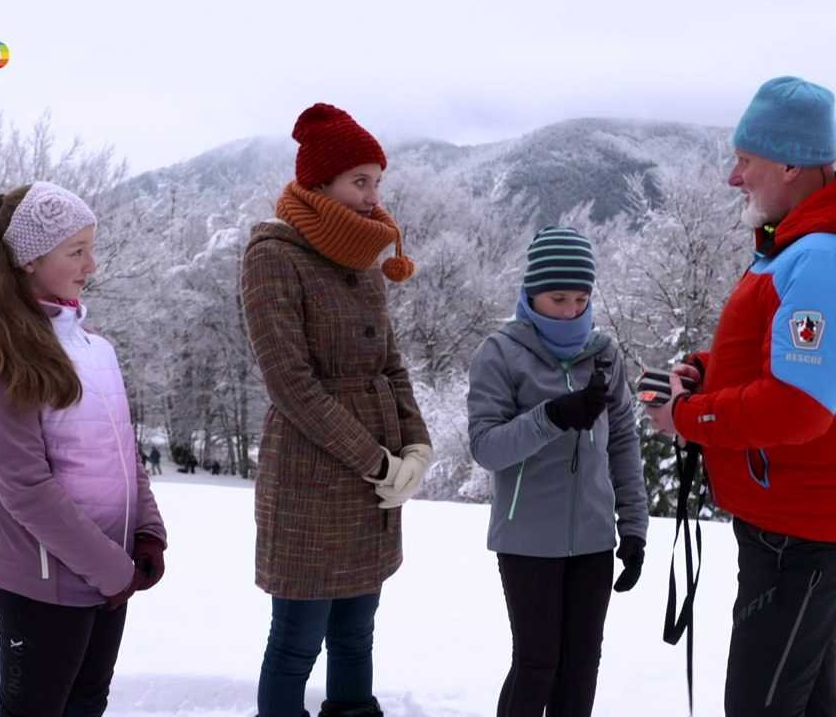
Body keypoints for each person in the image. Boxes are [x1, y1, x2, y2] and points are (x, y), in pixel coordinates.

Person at [646, 76, 836, 716]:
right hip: (792, 517)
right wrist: (704, 371)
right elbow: (780, 358)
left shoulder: (826, 260)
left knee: (761, 706)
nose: (733, 178)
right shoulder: (798, 243)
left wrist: (687, 417)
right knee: (803, 693)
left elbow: (799, 406)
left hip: (809, 527)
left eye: (746, 161)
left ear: (792, 164)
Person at [240, 103, 433, 717]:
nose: (373, 197)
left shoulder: (365, 263)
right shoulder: (273, 256)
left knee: (356, 634)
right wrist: (375, 461)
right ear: (318, 184)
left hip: (373, 485)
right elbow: (290, 383)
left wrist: (416, 444)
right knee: (296, 644)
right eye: (360, 181)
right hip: (311, 479)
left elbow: (391, 366)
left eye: (377, 181)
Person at [0, 181, 168, 717]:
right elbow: (26, 487)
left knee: (87, 703)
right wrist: (110, 568)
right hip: (42, 584)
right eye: (76, 252)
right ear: (28, 260)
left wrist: (146, 530)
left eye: (90, 248)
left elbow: (125, 451)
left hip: (110, 574)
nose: (91, 265)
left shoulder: (96, 349)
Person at [467, 226, 649, 716]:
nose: (571, 309)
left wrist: (633, 528)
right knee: (537, 664)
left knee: (582, 665)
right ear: (532, 295)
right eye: (558, 298)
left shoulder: (604, 353)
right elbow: (486, 448)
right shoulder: (500, 353)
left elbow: (624, 443)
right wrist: (552, 417)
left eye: (581, 297)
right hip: (526, 542)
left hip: (593, 540)